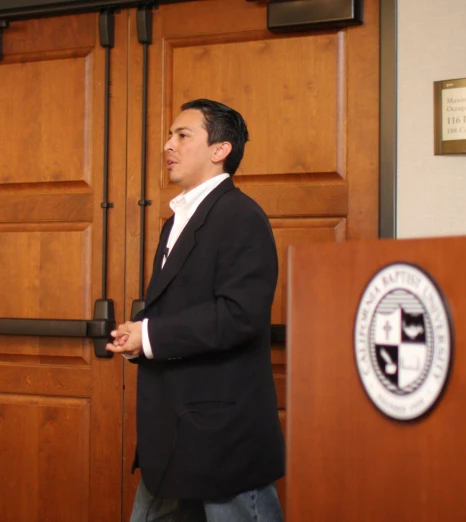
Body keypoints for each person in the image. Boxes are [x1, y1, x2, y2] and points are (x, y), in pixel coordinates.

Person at [106, 99, 284, 522]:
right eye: (169, 136)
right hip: (172, 430)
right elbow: (182, 306)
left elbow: (240, 315)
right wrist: (141, 338)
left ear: (219, 150)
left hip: (223, 434)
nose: (168, 145)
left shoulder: (241, 215)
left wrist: (149, 336)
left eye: (182, 135)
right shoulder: (176, 220)